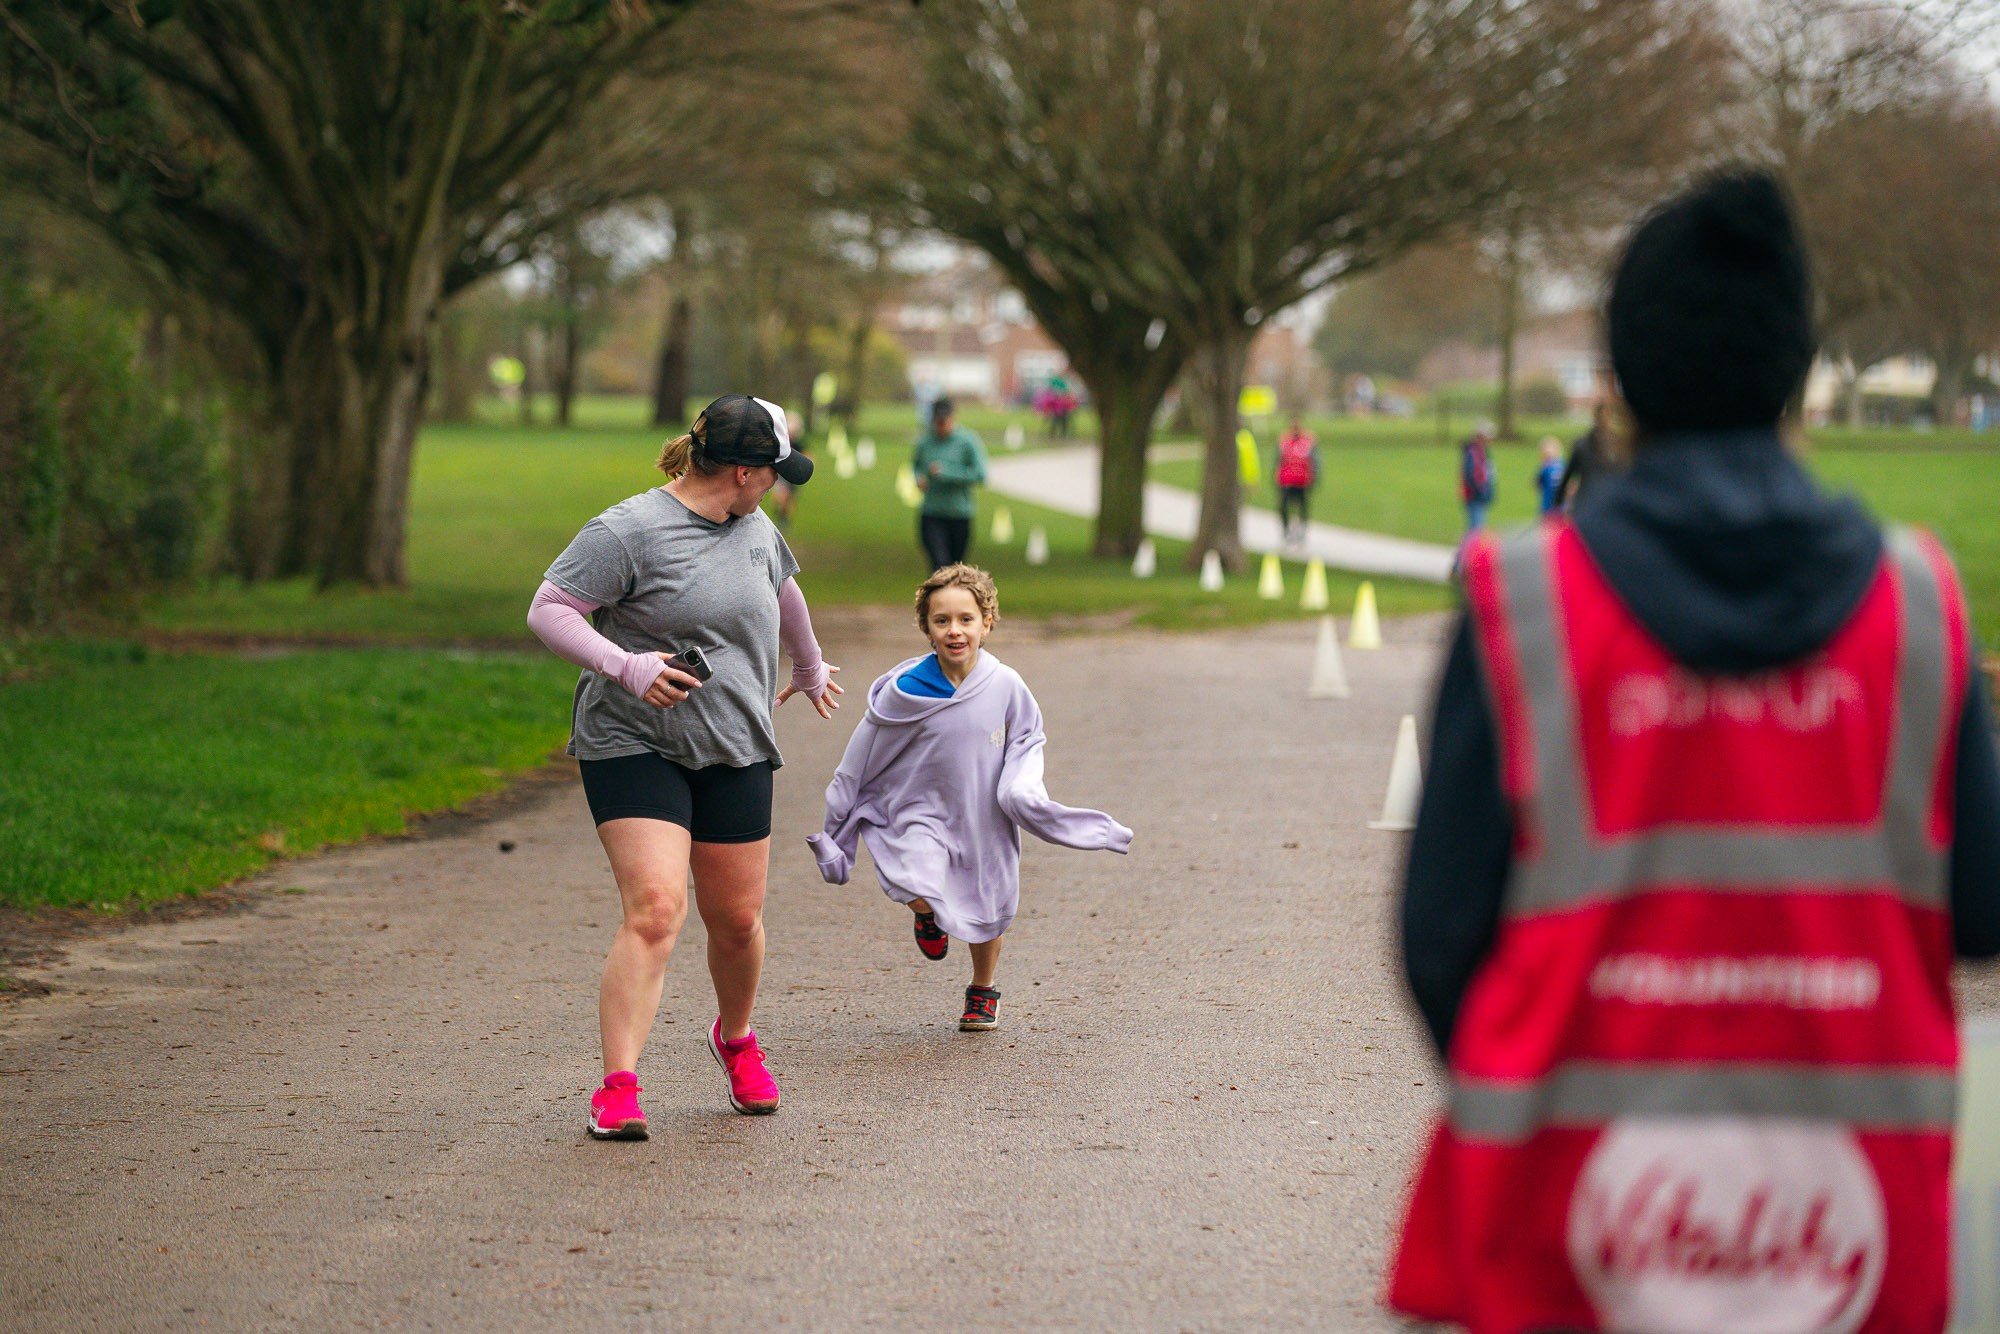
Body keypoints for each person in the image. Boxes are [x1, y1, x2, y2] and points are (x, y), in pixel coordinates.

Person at [1387, 171, 2000, 1331]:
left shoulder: (1523, 597)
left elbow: (1435, 936)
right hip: (1851, 1238)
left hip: (1572, 1234)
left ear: (1616, 379)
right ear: (1795, 369)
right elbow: (1980, 903)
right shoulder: (1916, 601)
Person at [526, 394, 845, 1139]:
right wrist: (626, 666)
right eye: (774, 472)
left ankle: (734, 1040)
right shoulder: (629, 531)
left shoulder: (754, 524)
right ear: (741, 471)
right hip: (634, 739)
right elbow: (549, 608)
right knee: (657, 908)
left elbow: (781, 583)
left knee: (736, 920)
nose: (780, 484)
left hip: (734, 737)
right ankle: (619, 1086)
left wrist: (808, 663)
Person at [806, 564, 1132, 1032]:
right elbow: (859, 758)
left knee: (989, 904)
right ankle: (929, 915)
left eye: (966, 619)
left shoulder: (1006, 685)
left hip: (984, 814)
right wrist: (839, 817)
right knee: (914, 879)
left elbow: (1027, 739)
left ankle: (982, 989)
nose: (954, 630)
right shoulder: (904, 692)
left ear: (987, 622)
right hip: (919, 812)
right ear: (926, 628)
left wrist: (1021, 790)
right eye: (942, 621)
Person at [912, 397, 988, 570]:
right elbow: (916, 466)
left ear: (953, 418)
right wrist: (919, 478)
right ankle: (934, 598)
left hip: (959, 513)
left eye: (945, 421)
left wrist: (947, 473)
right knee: (939, 566)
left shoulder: (967, 441)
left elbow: (980, 475)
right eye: (938, 422)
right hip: (932, 513)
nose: (941, 426)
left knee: (955, 569)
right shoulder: (925, 442)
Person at [1559, 400, 1621, 510]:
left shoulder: (1617, 445)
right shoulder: (1583, 445)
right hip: (1593, 501)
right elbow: (1568, 475)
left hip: (1601, 501)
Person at [1274, 417, 1320, 544]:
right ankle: (1286, 530)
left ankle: (1301, 531)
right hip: (1286, 480)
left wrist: (1315, 477)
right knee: (1283, 506)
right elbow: (1278, 460)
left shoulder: (1308, 441)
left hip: (1302, 480)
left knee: (1302, 506)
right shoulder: (1284, 441)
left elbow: (1315, 460)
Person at [1533, 435, 1564, 515]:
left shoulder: (1545, 468)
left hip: (1549, 507)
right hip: (1559, 507)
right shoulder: (1562, 464)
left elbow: (1536, 484)